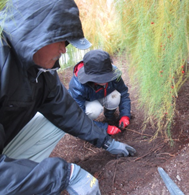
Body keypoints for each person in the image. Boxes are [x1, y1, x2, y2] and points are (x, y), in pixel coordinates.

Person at [0, 0, 136, 195]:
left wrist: (106, 141)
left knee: (55, 120)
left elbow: (67, 112)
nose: (64, 50)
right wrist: (65, 174)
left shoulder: (43, 72)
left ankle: (26, 177)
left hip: (6, 145)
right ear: (38, 33)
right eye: (62, 41)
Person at [68, 49, 131, 136]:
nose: (104, 80)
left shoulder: (115, 74)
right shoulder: (77, 86)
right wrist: (104, 128)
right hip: (89, 102)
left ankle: (109, 116)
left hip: (103, 95)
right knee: (94, 110)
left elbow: (124, 93)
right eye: (99, 78)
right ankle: (90, 127)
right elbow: (78, 118)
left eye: (106, 76)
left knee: (115, 96)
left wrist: (125, 115)